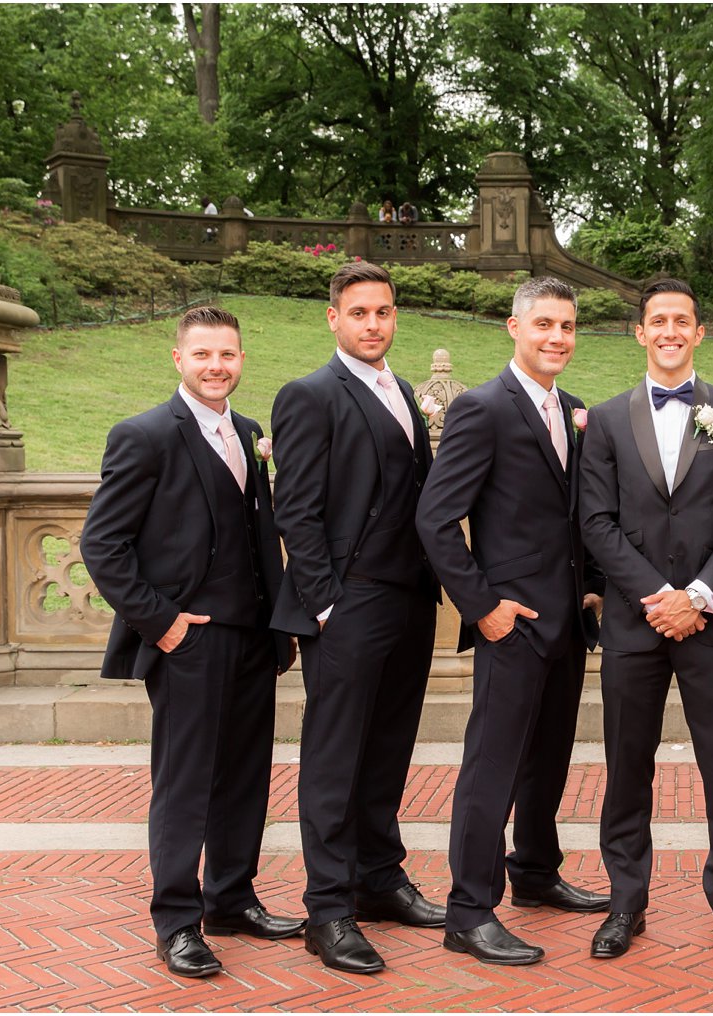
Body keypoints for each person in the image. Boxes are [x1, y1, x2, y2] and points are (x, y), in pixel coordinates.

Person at [81, 305, 304, 979]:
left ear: (241, 359)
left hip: (252, 636)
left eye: (228, 355)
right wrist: (165, 621)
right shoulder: (144, 435)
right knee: (184, 785)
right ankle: (177, 922)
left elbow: (261, 535)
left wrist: (281, 623)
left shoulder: (247, 430)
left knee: (244, 778)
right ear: (178, 359)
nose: (217, 367)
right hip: (189, 642)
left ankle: (232, 898)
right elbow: (102, 543)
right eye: (203, 355)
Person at [416, 277, 608, 966]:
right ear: (514, 328)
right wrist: (483, 607)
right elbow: (436, 519)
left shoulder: (576, 410)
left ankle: (534, 872)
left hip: (567, 623)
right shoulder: (481, 409)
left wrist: (594, 588)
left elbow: (576, 516)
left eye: (567, 326)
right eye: (545, 325)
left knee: (547, 761)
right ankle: (469, 910)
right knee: (490, 767)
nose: (557, 337)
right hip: (511, 623)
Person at [578, 279, 713, 961]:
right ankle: (625, 902)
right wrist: (660, 595)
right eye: (657, 320)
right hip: (634, 623)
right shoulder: (602, 420)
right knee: (627, 767)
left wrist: (700, 595)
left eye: (681, 320)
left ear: (699, 332)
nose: (669, 330)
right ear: (639, 332)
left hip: (712, 623)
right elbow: (595, 524)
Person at [270, 261, 445, 974]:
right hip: (351, 602)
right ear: (333, 318)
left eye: (385, 311)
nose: (374, 323)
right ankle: (330, 909)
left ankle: (379, 879)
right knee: (336, 758)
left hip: (409, 601)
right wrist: (326, 604)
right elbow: (297, 509)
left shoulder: (402, 391)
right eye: (360, 312)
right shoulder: (310, 395)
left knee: (387, 748)